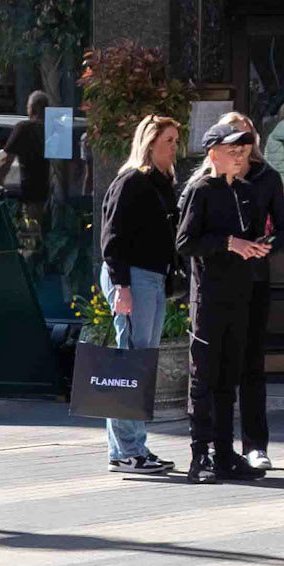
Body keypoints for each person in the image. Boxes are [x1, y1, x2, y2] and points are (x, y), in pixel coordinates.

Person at [175, 123, 272, 485]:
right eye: (232, 148)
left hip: (240, 293)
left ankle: (223, 452)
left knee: (228, 377)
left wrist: (258, 245)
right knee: (204, 377)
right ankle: (199, 455)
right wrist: (229, 243)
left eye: (244, 148)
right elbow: (185, 242)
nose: (239, 154)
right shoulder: (201, 189)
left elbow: (248, 236)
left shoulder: (245, 191)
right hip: (210, 297)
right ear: (212, 152)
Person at [208, 112, 284, 473]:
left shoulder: (267, 177)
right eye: (234, 142)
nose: (241, 149)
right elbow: (188, 235)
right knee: (216, 367)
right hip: (215, 282)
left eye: (246, 140)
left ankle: (256, 444)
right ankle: (217, 445)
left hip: (255, 278)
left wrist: (266, 245)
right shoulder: (206, 181)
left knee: (251, 363)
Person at [96, 113, 181, 478]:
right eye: (168, 141)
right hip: (132, 278)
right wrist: (121, 287)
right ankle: (128, 450)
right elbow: (111, 237)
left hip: (152, 278)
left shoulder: (163, 182)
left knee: (139, 362)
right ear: (149, 144)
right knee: (131, 362)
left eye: (177, 141)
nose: (174, 148)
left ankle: (128, 448)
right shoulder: (131, 181)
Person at [0, 90, 50, 206]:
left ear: (32, 108)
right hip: (57, 189)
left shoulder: (23, 128)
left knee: (33, 220)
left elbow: (6, 161)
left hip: (32, 189)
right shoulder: (57, 128)